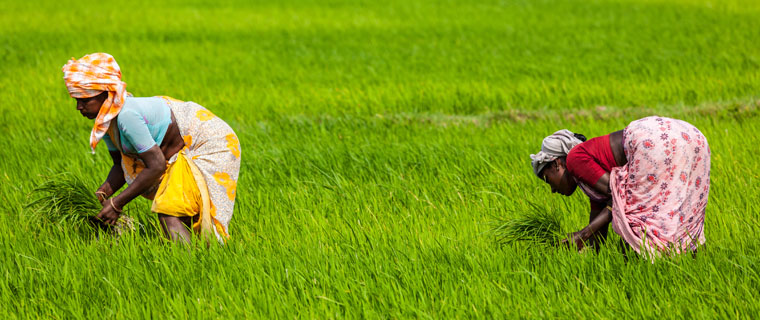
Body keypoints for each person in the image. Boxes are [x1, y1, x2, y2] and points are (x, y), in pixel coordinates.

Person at [62, 53, 240, 243]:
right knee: (178, 210)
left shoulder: (127, 116)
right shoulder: (105, 123)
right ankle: (198, 260)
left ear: (107, 94)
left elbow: (156, 165)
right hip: (182, 152)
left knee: (169, 211)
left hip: (209, 144)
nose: (78, 107)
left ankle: (190, 266)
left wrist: (116, 204)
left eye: (84, 100)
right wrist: (101, 195)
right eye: (76, 100)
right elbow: (121, 167)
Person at [530, 116, 710, 257]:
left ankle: (652, 276)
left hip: (653, 141)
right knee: (682, 212)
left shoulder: (575, 158)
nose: (553, 190)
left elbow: (621, 199)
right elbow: (597, 237)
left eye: (548, 180)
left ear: (557, 164)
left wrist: (582, 234)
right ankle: (697, 268)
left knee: (633, 233)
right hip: (691, 136)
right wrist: (569, 250)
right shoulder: (593, 181)